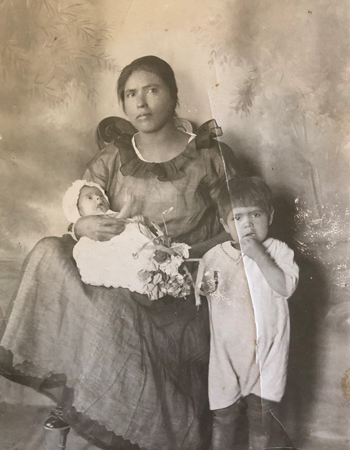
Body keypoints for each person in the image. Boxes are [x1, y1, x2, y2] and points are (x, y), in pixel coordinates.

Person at [0, 56, 238, 450]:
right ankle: (77, 397)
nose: (141, 103)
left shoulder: (210, 157)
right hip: (111, 270)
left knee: (113, 309)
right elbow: (79, 202)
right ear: (123, 105)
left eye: (152, 90)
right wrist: (81, 227)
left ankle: (101, 408)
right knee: (47, 251)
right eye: (131, 94)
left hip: (176, 290)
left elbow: (237, 228)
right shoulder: (114, 156)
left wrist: (176, 258)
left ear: (174, 96)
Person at [195, 177, 299, 450]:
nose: (248, 224)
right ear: (225, 225)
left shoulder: (278, 251)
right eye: (237, 218)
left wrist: (259, 255)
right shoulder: (214, 256)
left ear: (270, 216)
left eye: (255, 214)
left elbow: (285, 288)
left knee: (260, 417)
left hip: (266, 351)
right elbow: (203, 293)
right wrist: (205, 288)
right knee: (224, 416)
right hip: (227, 352)